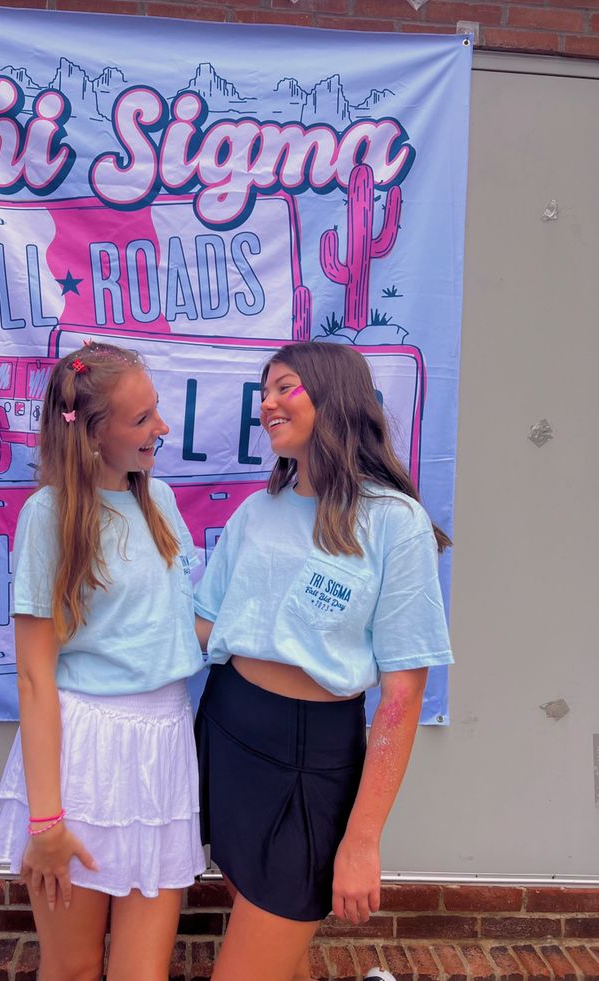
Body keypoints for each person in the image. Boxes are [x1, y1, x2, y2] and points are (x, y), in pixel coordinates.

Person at [194, 342, 453, 981]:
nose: (269, 405)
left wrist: (361, 841)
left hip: (313, 760)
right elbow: (204, 625)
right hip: (226, 732)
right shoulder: (257, 512)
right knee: (274, 952)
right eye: (265, 393)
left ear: (332, 395)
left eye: (286, 387)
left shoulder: (396, 524)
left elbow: (401, 697)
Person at [0, 342, 205, 981]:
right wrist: (46, 818)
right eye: (141, 421)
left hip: (163, 747)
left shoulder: (157, 502)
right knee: (75, 968)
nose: (161, 429)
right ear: (91, 435)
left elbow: (178, 623)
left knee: (143, 973)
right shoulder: (47, 517)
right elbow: (33, 675)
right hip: (83, 757)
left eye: (156, 412)